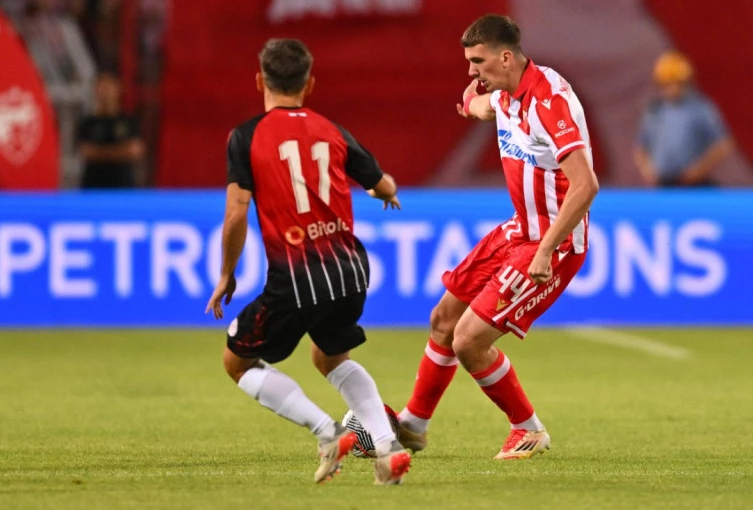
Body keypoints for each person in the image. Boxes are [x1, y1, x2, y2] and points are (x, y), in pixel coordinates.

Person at [205, 39, 411, 485]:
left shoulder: (246, 136)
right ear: (309, 83)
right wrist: (387, 193)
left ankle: (328, 433)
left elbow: (237, 212)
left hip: (297, 276)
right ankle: (387, 447)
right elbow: (382, 184)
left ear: (260, 80)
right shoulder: (331, 129)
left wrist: (226, 274)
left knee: (236, 362)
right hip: (349, 269)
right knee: (331, 356)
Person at [396, 14, 599, 460]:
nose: (472, 70)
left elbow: (586, 186)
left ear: (506, 57)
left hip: (552, 241)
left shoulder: (549, 102)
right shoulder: (507, 94)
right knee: (443, 319)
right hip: (518, 229)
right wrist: (471, 102)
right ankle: (412, 425)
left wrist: (546, 250)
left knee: (469, 340)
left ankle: (528, 429)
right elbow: (485, 107)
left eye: (478, 61)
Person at [634, 52, 733, 187]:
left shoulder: (700, 108)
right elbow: (640, 147)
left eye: (678, 83)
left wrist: (699, 169)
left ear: (687, 83)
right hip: (662, 184)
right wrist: (648, 170)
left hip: (693, 184)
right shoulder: (655, 110)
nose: (672, 89)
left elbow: (723, 144)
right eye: (666, 84)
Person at [76, 72, 144, 188]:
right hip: (93, 186)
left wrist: (100, 153)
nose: (105, 92)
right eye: (101, 87)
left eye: (108, 87)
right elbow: (86, 151)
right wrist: (120, 152)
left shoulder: (129, 121)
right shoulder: (87, 123)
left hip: (122, 186)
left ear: (118, 89)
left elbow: (134, 151)